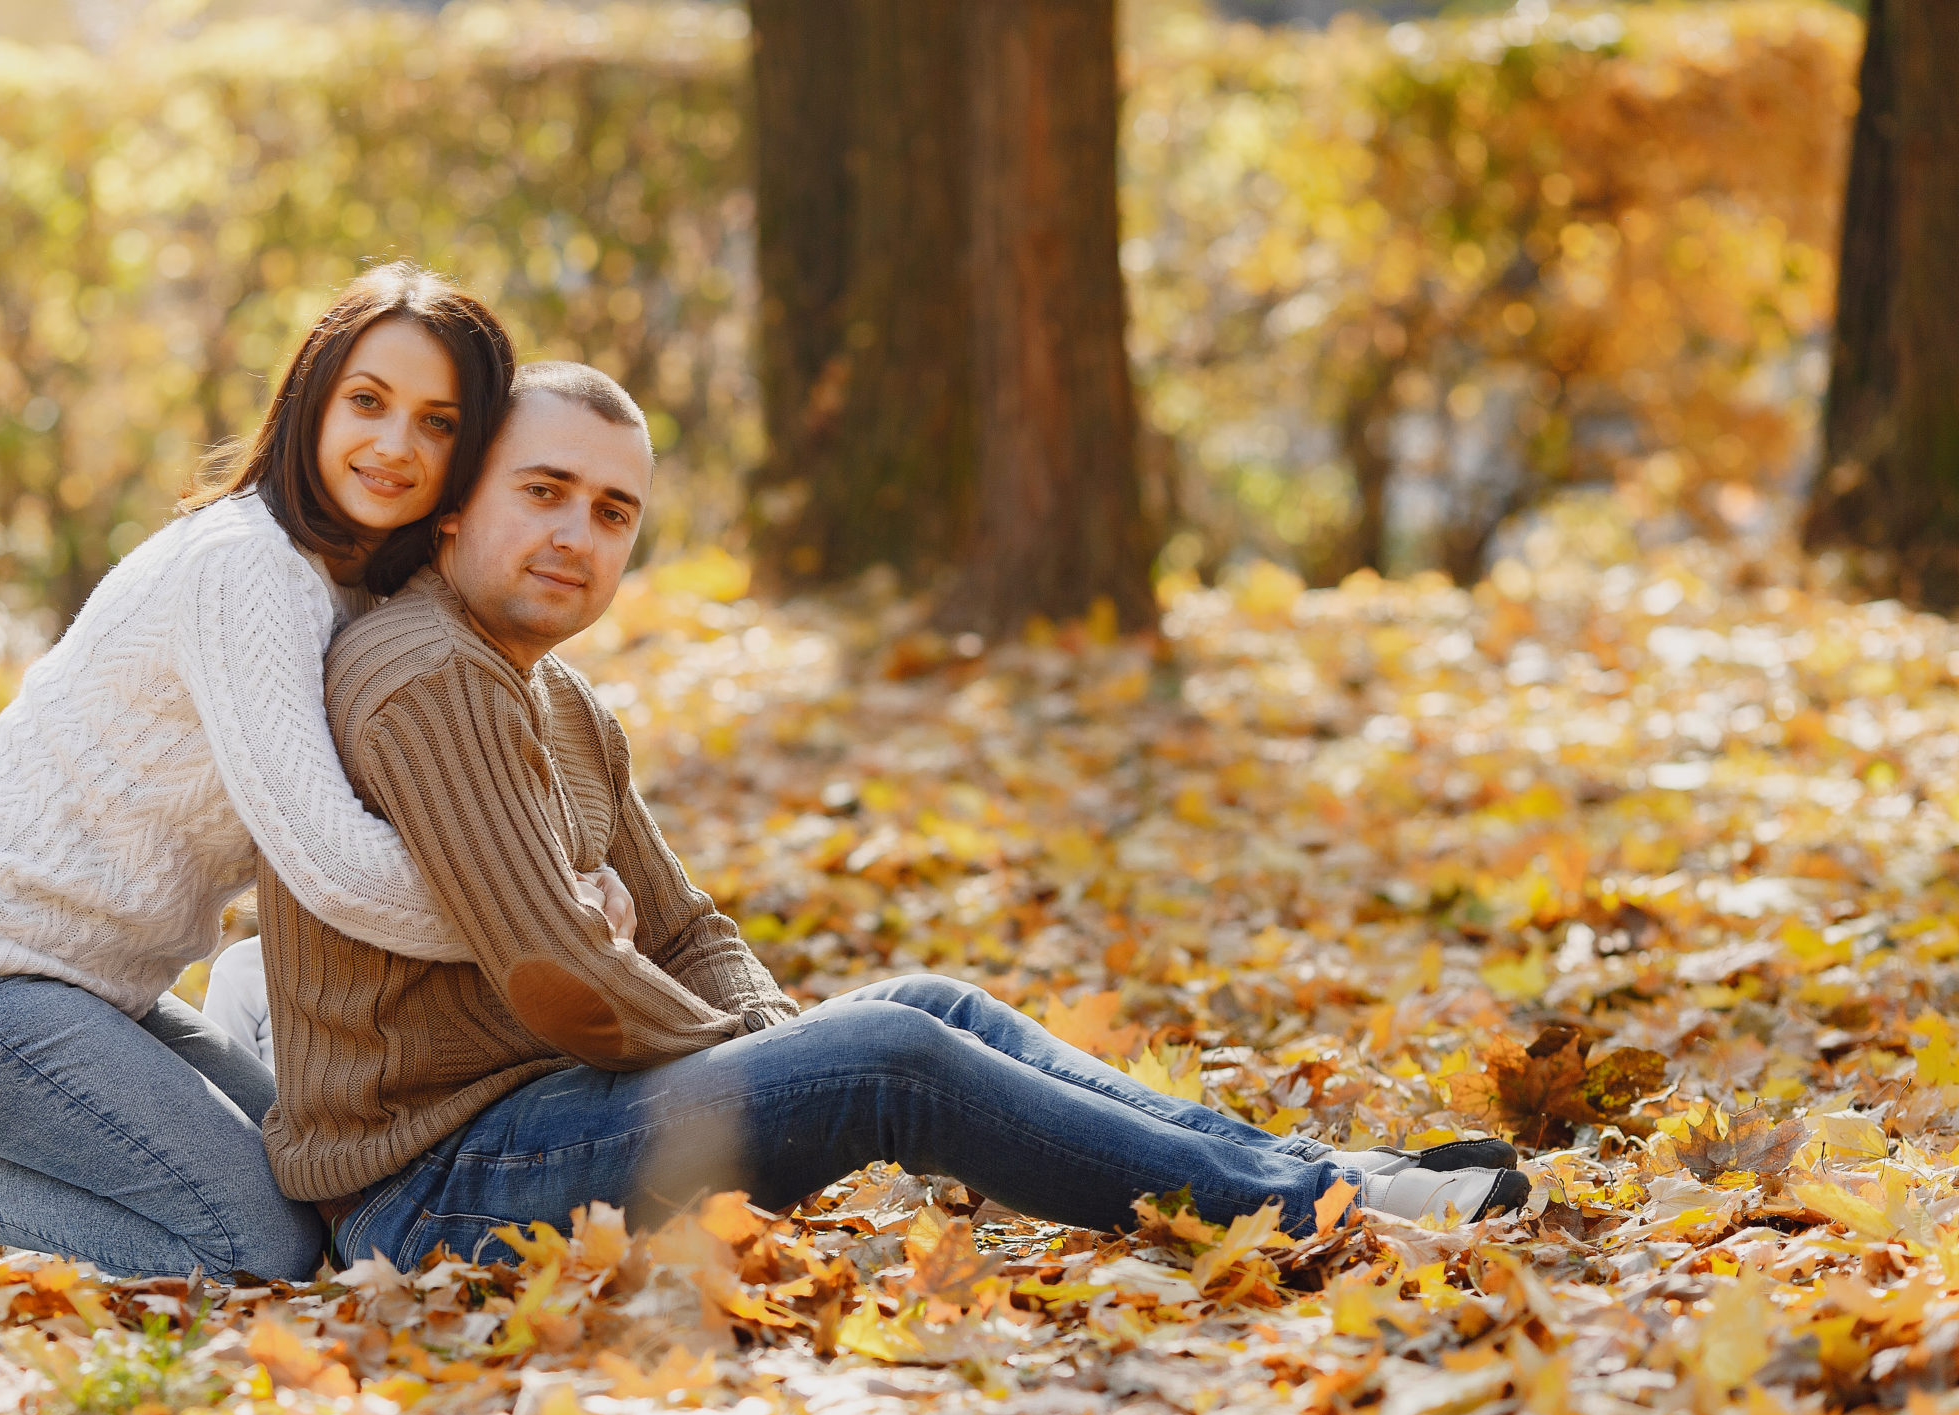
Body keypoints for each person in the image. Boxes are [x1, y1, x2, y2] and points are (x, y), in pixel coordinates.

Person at [254, 362, 1531, 1271]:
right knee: (887, 1057)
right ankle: (1316, 1211)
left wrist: (765, 1037)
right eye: (543, 491)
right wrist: (785, 1056)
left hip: (547, 1124)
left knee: (927, 1006)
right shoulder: (426, 674)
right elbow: (567, 979)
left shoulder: (562, 697)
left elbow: (683, 924)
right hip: (433, 1194)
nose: (575, 535)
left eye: (611, 512)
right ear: (459, 502)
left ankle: (1322, 1174)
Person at [0, 264, 548, 1280]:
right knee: (257, 1246)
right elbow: (335, 865)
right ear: (313, 396)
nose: (394, 445)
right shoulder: (245, 567)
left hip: (88, 988)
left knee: (320, 1185)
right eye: (368, 401)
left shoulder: (356, 593)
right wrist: (534, 932)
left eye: (438, 423)